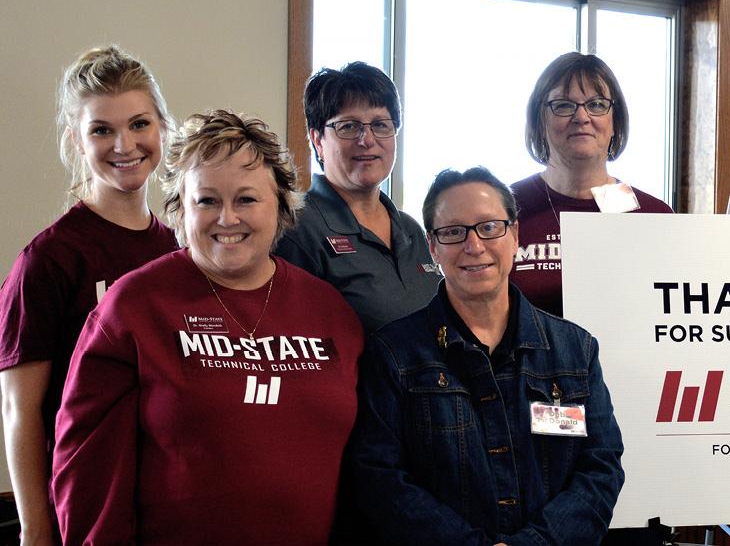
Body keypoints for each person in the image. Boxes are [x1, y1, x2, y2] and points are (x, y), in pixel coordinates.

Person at [51, 111, 364, 545]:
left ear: (282, 204)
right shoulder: (133, 309)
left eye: (247, 200)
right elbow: (87, 474)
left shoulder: (331, 312)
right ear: (180, 208)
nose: (228, 219)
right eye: (207, 201)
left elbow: (359, 465)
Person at [351, 167, 625, 544]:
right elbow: (379, 478)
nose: (474, 246)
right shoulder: (394, 354)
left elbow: (601, 466)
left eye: (490, 227)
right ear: (432, 247)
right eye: (453, 232)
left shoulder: (575, 350)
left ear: (515, 235)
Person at [0, 45, 177, 545]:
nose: (125, 144)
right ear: (77, 141)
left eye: (140, 123)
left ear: (162, 126)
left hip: (166, 504)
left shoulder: (179, 250)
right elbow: (20, 410)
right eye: (102, 130)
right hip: (84, 511)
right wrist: (36, 530)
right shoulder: (49, 260)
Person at [276, 61, 440, 333]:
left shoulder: (410, 229)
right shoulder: (297, 229)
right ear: (317, 139)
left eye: (380, 124)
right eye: (349, 126)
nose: (367, 139)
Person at [512, 51, 673, 317]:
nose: (582, 117)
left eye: (597, 104)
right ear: (540, 120)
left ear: (614, 121)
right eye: (563, 105)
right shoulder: (504, 209)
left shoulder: (654, 216)